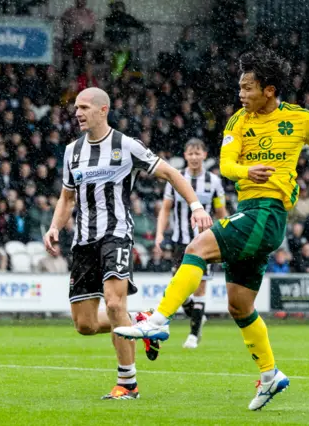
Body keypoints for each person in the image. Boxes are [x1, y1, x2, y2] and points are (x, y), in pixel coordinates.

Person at [115, 49, 309, 411]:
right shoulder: (237, 122)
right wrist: (247, 171)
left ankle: (159, 319)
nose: (240, 94)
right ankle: (271, 374)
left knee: (198, 246)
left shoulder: (300, 119)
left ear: (269, 90)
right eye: (240, 87)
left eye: (248, 87)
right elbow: (226, 164)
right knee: (239, 305)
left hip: (268, 213)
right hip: (251, 210)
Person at [42, 88, 211, 400]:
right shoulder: (71, 151)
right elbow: (67, 197)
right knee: (85, 325)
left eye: (83, 107)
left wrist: (197, 206)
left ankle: (128, 384)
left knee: (115, 303)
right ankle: (141, 322)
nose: (77, 113)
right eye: (76, 108)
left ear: (103, 109)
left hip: (116, 234)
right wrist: (54, 226)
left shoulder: (126, 145)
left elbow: (172, 173)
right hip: (83, 242)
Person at [154, 138, 228, 349]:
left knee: (200, 287)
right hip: (180, 241)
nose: (194, 157)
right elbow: (166, 209)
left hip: (204, 242)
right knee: (178, 286)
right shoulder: (177, 178)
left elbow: (221, 212)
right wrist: (160, 233)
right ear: (185, 156)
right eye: (190, 154)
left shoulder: (213, 181)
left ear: (205, 155)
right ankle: (197, 315)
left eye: (198, 153)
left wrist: (225, 236)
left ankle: (193, 336)